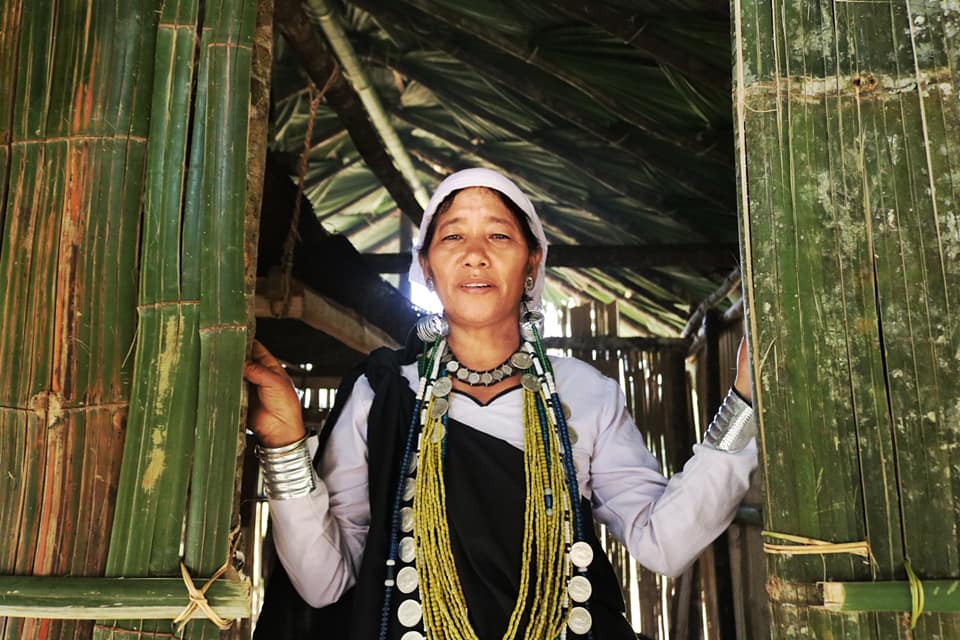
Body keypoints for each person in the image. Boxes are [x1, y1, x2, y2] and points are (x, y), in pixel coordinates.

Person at [244, 168, 757, 640]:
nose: (475, 253)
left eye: (499, 235)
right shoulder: (382, 392)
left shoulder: (583, 392)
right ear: (426, 266)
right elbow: (323, 584)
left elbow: (663, 544)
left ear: (532, 261)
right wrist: (285, 445)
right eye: (452, 236)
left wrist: (744, 404)